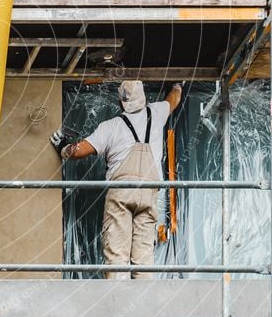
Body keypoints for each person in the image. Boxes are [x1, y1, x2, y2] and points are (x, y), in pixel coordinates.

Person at [51, 80, 182, 279]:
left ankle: (117, 304)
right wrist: (177, 85)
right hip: (149, 192)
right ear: (143, 98)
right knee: (144, 258)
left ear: (121, 103)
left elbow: (78, 152)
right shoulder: (156, 113)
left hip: (121, 192)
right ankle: (142, 307)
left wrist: (64, 147)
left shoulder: (111, 127)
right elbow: (174, 99)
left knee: (117, 257)